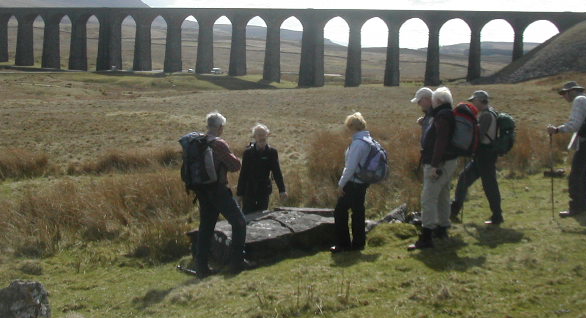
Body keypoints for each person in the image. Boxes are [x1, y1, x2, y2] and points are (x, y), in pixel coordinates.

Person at [193, 112, 249, 277]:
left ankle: (201, 267)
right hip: (218, 190)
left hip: (202, 191)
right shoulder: (219, 144)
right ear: (220, 127)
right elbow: (234, 166)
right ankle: (237, 262)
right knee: (239, 223)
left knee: (206, 227)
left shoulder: (198, 142)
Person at [409, 87, 459, 250]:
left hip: (439, 163)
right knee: (443, 194)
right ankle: (442, 228)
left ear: (437, 101)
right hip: (449, 161)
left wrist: (435, 166)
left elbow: (440, 142)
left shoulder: (442, 116)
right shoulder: (445, 114)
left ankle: (426, 237)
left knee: (428, 198)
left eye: (434, 99)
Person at [451, 90, 504, 225]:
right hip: (485, 154)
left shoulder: (486, 115)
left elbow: (479, 135)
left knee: (488, 184)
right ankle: (454, 210)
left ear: (480, 101)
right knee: (465, 179)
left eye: (474, 101)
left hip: (485, 154)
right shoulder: (491, 112)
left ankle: (497, 216)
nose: (473, 104)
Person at [330, 112, 372, 253]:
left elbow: (350, 167)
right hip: (363, 181)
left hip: (353, 182)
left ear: (352, 126)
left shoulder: (358, 143)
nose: (347, 130)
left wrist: (341, 184)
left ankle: (343, 244)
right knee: (358, 211)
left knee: (340, 211)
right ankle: (359, 243)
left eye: (348, 126)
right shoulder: (367, 139)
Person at [547, 81, 586, 218]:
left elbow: (575, 124)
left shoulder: (580, 100)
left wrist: (557, 129)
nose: (564, 97)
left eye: (564, 93)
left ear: (572, 91)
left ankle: (576, 207)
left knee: (576, 176)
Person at [237, 123, 287, 214]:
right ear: (254, 137)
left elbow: (277, 172)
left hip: (264, 191)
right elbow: (243, 174)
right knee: (247, 217)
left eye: (264, 135)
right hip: (249, 191)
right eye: (259, 135)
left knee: (262, 217)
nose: (262, 137)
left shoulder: (272, 152)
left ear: (267, 135)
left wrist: (282, 190)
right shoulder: (248, 153)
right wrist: (239, 194)